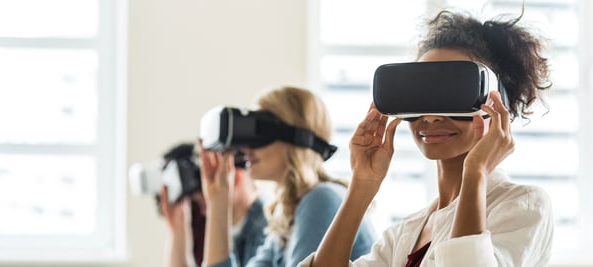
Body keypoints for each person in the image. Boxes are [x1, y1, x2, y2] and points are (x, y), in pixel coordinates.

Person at [301, 10, 554, 267]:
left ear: (498, 105)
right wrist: (362, 185)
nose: (431, 117)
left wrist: (476, 173)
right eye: (421, 94)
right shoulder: (405, 232)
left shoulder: (523, 206)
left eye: (453, 96)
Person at [198, 86, 377, 267]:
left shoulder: (322, 198)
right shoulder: (289, 219)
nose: (246, 148)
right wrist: (218, 201)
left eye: (259, 132)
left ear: (296, 137)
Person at [159, 144, 267, 267]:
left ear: (235, 179)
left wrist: (217, 200)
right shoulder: (230, 233)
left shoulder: (265, 229)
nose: (200, 204)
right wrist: (177, 232)